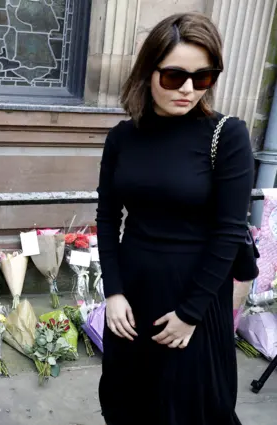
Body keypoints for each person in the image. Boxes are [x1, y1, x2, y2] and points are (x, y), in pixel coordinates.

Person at [96, 12, 253, 425]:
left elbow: (228, 232)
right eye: (174, 76)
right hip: (131, 294)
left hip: (195, 295)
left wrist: (190, 314)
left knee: (191, 408)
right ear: (148, 72)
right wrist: (112, 291)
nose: (188, 89)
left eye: (203, 78)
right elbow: (108, 216)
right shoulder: (122, 137)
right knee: (127, 402)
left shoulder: (228, 135)